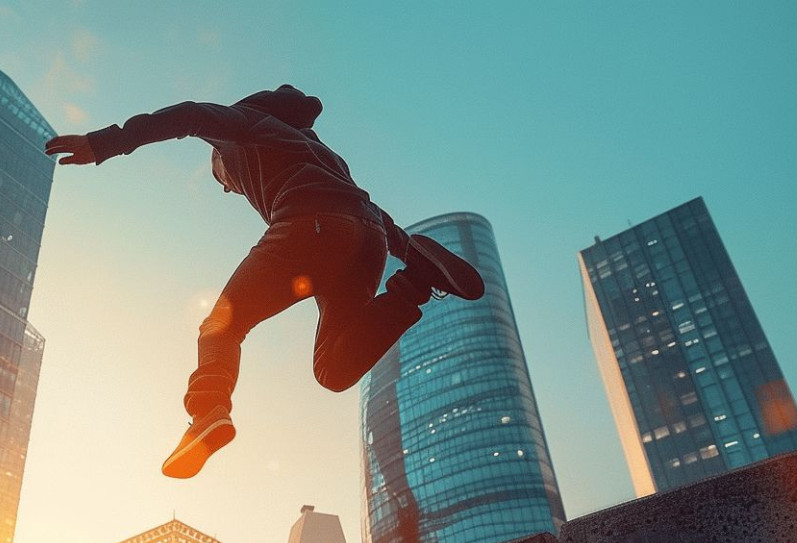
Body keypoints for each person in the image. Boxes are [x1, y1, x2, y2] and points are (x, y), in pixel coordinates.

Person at [46, 85, 484, 479]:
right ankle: (415, 285)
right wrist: (409, 253)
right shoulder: (321, 152)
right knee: (332, 369)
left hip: (307, 224)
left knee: (221, 326)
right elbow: (372, 215)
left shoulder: (245, 126)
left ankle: (207, 411)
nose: (225, 187)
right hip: (366, 239)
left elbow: (190, 115)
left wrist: (105, 142)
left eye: (219, 176)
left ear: (221, 155)